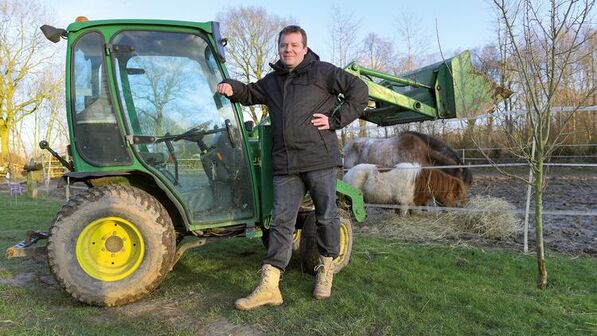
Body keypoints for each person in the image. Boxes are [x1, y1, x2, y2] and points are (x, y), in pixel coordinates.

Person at [217, 25, 368, 310]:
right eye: (284, 45)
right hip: (286, 164)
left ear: (304, 48)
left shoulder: (322, 71)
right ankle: (269, 286)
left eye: (294, 45)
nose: (289, 50)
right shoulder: (273, 81)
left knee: (326, 216)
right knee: (281, 223)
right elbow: (249, 93)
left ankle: (326, 271)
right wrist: (231, 86)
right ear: (279, 48)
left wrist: (335, 120)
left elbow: (359, 91)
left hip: (319, 159)